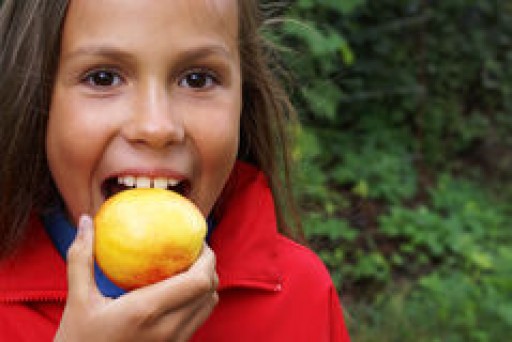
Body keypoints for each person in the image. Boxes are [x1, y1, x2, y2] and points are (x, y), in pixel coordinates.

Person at [0, 0, 351, 341]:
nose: (157, 127)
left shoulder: (303, 297)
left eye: (198, 79)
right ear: (36, 99)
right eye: (104, 78)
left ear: (246, 98)